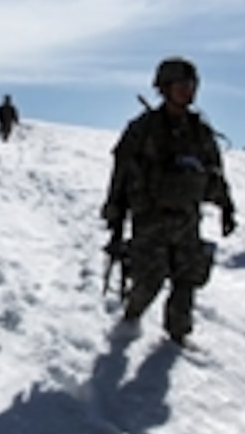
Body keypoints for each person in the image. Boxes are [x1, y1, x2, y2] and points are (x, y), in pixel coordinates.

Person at [100, 57, 236, 346]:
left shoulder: (199, 131)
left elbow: (213, 171)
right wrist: (115, 215)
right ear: (164, 88)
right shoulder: (143, 129)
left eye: (191, 85)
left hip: (187, 217)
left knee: (187, 278)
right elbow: (121, 173)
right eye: (181, 85)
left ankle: (178, 337)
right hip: (151, 218)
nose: (188, 91)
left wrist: (226, 206)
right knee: (149, 280)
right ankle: (130, 318)